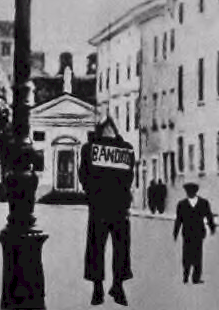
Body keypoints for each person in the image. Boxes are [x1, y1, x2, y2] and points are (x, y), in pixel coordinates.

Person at [79, 118, 134, 306]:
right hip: (119, 207)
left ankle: (97, 290)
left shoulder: (89, 149)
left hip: (98, 206)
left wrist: (91, 194)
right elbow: (129, 177)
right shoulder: (126, 149)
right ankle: (118, 286)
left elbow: (83, 176)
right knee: (121, 249)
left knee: (96, 248)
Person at [173, 183, 216, 284]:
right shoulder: (181, 204)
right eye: (188, 192)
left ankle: (196, 278)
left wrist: (212, 227)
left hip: (198, 233)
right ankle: (186, 275)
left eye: (191, 192)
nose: (189, 193)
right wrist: (175, 232)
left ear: (195, 192)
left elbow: (209, 216)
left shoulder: (203, 203)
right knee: (186, 255)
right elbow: (178, 219)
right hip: (187, 233)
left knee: (197, 256)